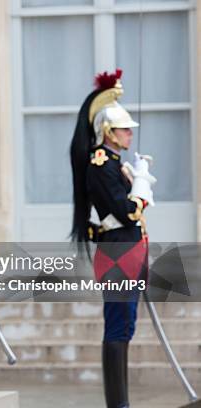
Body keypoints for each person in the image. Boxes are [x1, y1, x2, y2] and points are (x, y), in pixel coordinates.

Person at [70, 69, 156, 408]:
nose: (129, 134)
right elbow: (126, 212)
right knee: (119, 328)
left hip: (130, 251)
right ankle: (117, 404)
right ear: (107, 131)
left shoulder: (117, 163)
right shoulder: (101, 164)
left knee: (126, 326)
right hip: (119, 252)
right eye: (123, 129)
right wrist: (142, 191)